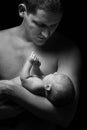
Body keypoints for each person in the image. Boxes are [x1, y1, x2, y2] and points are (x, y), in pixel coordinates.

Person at [0, 0, 81, 130]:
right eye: (40, 24)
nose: (46, 34)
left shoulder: (67, 50)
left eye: (54, 25)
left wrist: (9, 89)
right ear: (22, 11)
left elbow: (64, 116)